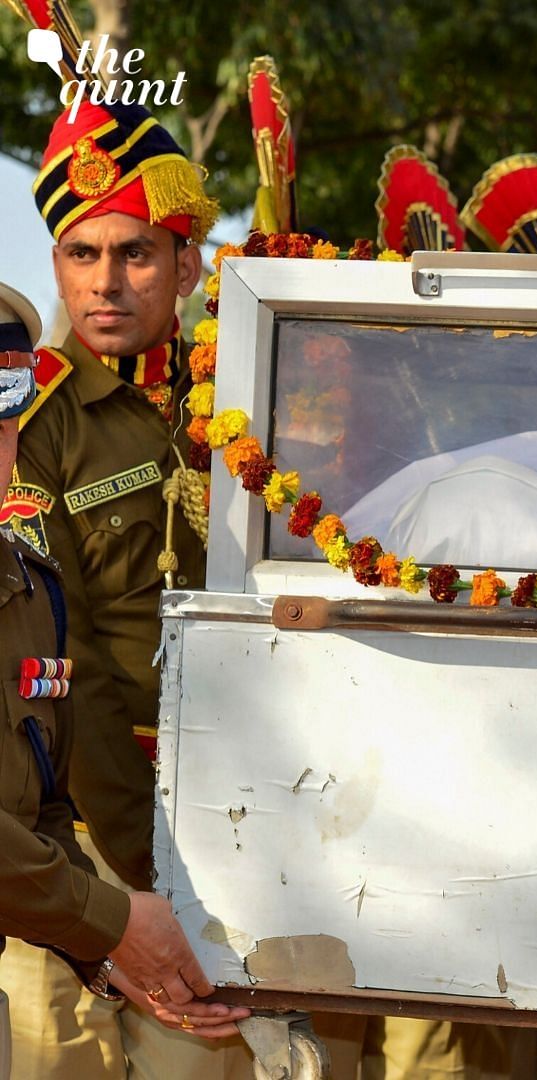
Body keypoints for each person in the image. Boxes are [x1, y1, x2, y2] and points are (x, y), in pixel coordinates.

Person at [0, 89, 271, 1078]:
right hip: (111, 828)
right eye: (82, 253)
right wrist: (154, 878)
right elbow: (63, 669)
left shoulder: (253, 385)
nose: (105, 283)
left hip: (261, 805)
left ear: (189, 262)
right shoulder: (36, 427)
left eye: (136, 252)